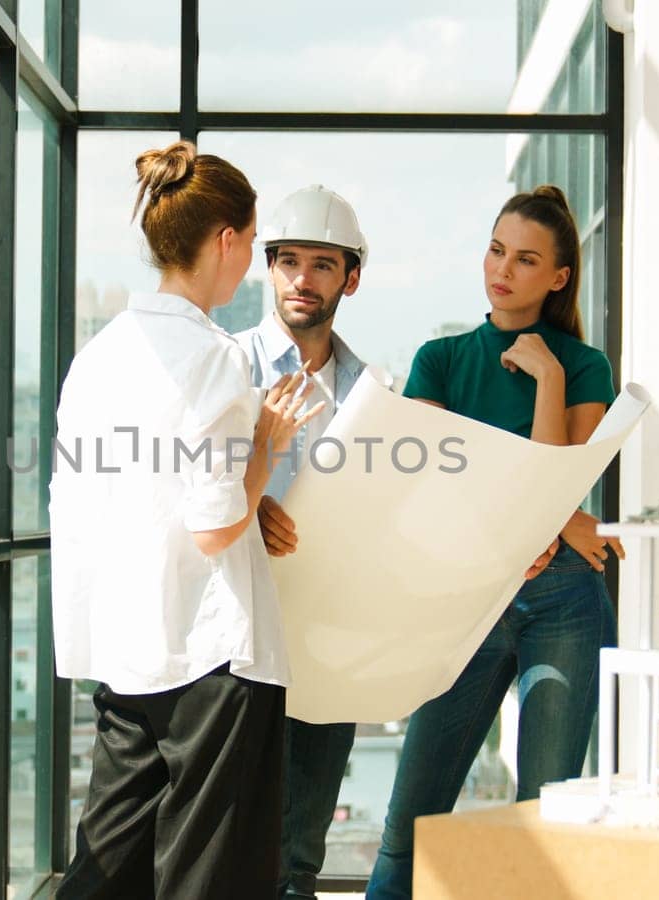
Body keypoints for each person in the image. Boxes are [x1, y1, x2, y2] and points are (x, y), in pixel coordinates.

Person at [50, 140, 319, 899]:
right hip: (214, 654)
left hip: (129, 647)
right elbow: (214, 524)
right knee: (209, 878)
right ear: (226, 240)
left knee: (105, 871)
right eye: (253, 242)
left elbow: (100, 500)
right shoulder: (219, 357)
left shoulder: (96, 357)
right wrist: (266, 447)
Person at [364, 185, 623, 899]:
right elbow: (436, 483)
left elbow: (553, 485)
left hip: (564, 600)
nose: (502, 269)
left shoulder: (583, 366)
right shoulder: (440, 358)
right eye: (496, 249)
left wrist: (545, 378)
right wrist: (538, 517)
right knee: (410, 823)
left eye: (526, 258)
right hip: (469, 598)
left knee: (545, 820)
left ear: (559, 277)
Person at [232, 185, 372, 899]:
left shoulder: (371, 392)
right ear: (270, 269)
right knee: (227, 844)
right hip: (239, 641)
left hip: (325, 638)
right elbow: (183, 495)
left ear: (351, 277)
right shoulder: (228, 366)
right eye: (288, 261)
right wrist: (248, 507)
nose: (302, 279)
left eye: (322, 264)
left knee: (297, 859)